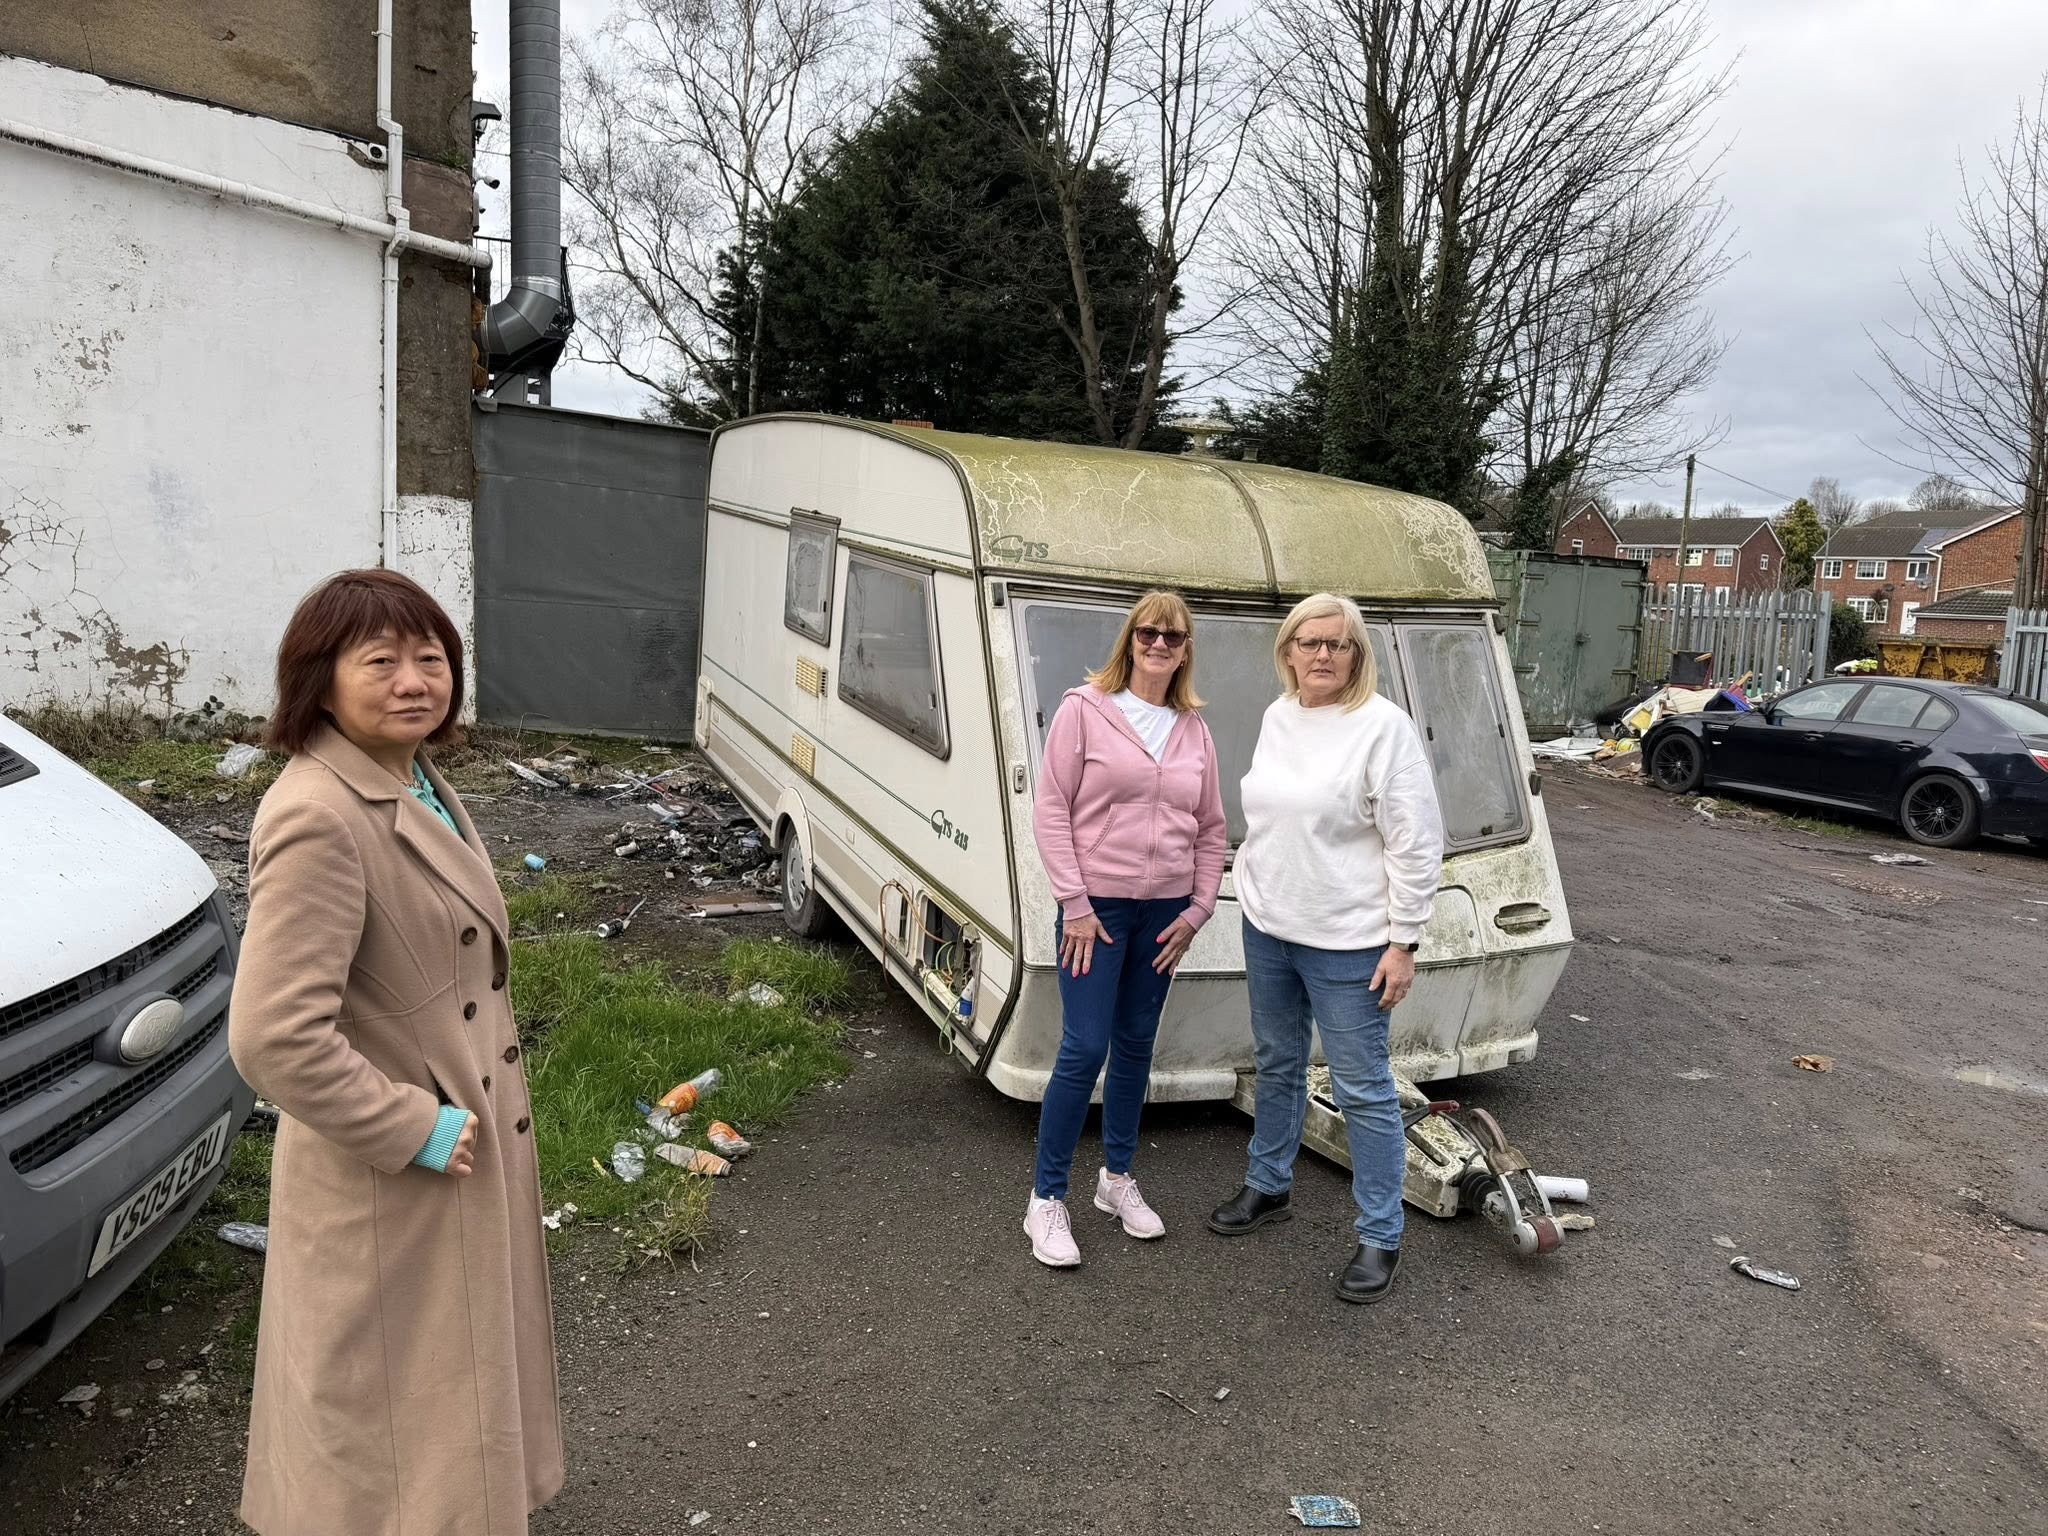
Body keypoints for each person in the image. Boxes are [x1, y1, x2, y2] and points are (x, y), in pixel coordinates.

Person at [228, 570, 563, 1535]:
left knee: (441, 1420)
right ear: (318, 683)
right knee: (388, 1440)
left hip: (456, 1158)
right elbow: (273, 1035)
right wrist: (411, 1125)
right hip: (401, 1174)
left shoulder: (412, 779)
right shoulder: (317, 812)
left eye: (431, 659)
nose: (414, 680)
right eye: (379, 661)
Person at [1207, 593, 1444, 1304]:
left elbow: (1417, 842)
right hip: (1271, 928)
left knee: (1363, 1090)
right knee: (1277, 1063)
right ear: (1287, 652)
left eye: (1336, 644)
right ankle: (1269, 1184)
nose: (1321, 655)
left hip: (1349, 944)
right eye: (1307, 643)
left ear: (1356, 654)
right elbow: (1274, 818)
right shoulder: (1280, 718)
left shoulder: (1383, 728)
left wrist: (1404, 941)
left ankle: (1380, 1237)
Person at [1025, 590, 1228, 1267]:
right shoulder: (1085, 710)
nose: (1160, 645)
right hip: (1096, 914)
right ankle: (1045, 1201)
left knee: (1136, 1044)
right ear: (1130, 639)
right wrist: (1074, 903)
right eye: (1149, 633)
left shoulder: (1194, 728)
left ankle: (1115, 1181)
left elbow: (1211, 828)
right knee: (1083, 1050)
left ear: (1186, 648)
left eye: (1173, 636)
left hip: (1164, 916)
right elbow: (1052, 810)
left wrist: (1198, 910)